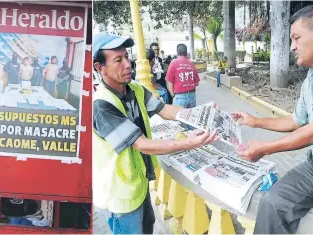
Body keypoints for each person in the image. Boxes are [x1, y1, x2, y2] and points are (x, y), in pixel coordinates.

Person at [92, 32, 218, 234]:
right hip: (119, 198)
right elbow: (141, 144)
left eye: (127, 56)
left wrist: (202, 115)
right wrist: (188, 143)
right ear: (100, 68)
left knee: (147, 229)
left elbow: (165, 109)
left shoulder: (135, 89)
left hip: (138, 186)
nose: (127, 64)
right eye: (118, 60)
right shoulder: (102, 105)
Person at [232, 5, 313, 234]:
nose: (292, 47)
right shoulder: (311, 77)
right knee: (272, 203)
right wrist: (254, 121)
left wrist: (265, 149)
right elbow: (297, 121)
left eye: (296, 38)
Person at [165, 44, 200, 108]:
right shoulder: (191, 64)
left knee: (179, 117)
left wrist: (172, 94)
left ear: (177, 52)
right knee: (190, 117)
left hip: (180, 98)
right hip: (192, 97)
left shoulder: (173, 63)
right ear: (186, 53)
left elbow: (169, 81)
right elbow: (197, 83)